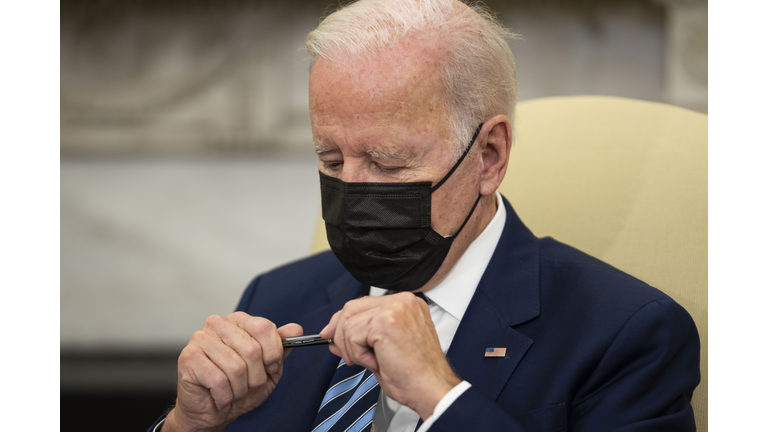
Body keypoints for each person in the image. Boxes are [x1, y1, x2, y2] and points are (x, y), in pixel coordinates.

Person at [149, 0, 700, 431]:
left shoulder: (625, 334)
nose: (352, 190)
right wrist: (188, 425)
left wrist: (443, 398)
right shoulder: (274, 300)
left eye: (388, 163)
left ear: (489, 157)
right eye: (331, 159)